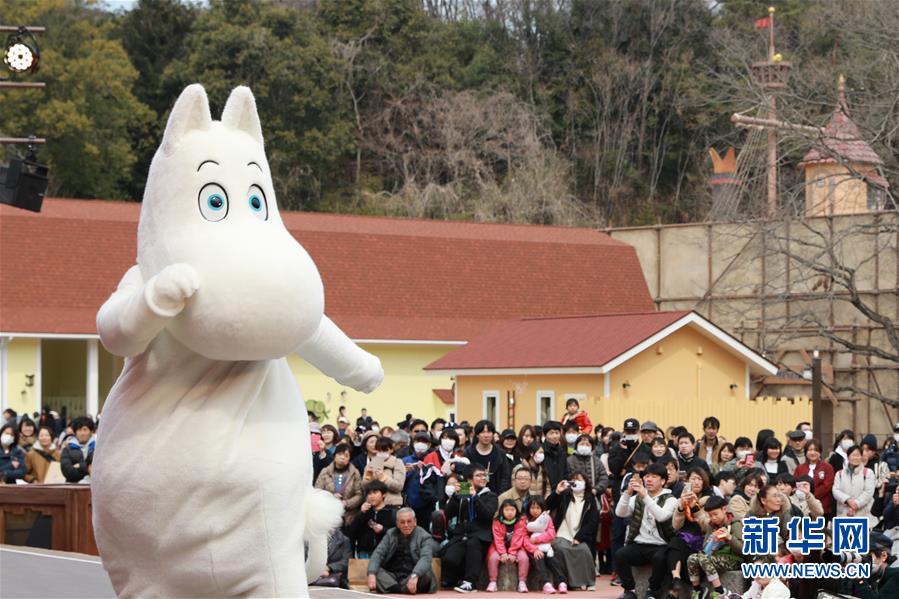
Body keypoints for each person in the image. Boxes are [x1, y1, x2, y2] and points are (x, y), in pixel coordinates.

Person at [613, 462, 678, 599]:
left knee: (659, 558)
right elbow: (620, 513)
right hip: (639, 544)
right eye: (647, 476)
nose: (648, 479)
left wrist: (645, 496)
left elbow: (661, 516)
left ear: (663, 481)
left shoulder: (671, 499)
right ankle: (630, 590)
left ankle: (653, 591)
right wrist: (627, 493)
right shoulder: (637, 497)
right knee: (620, 554)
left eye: (654, 476)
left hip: (661, 545)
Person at [441, 466, 498, 593]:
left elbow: (488, 515)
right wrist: (456, 497)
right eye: (478, 475)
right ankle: (456, 578)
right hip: (462, 535)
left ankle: (470, 582)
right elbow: (448, 514)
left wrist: (475, 498)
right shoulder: (461, 495)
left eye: (484, 475)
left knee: (473, 544)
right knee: (449, 558)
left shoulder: (491, 496)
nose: (483, 478)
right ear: (469, 479)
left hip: (480, 536)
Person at [546, 471, 598, 591]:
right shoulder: (564, 496)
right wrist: (557, 492)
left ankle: (588, 581)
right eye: (574, 480)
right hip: (562, 533)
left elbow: (593, 521)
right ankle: (569, 582)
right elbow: (547, 505)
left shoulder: (590, 499)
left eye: (580, 480)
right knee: (561, 549)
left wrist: (579, 537)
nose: (577, 482)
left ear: (585, 483)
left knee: (584, 550)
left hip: (580, 534)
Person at [367, 507, 436, 594]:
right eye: (402, 522)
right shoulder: (390, 534)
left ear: (415, 522)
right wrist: (371, 573)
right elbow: (378, 554)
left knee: (426, 573)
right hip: (392, 577)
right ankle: (401, 589)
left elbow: (426, 558)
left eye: (409, 521)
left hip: (413, 575)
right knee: (375, 571)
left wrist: (415, 575)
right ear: (397, 523)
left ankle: (394, 589)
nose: (406, 525)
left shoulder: (424, 536)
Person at [684, 495, 742, 598]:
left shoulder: (735, 523)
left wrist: (729, 538)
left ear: (724, 509)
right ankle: (698, 590)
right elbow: (705, 548)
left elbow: (743, 549)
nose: (713, 518)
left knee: (703, 558)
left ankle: (720, 591)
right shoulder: (712, 525)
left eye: (715, 514)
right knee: (692, 558)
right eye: (710, 515)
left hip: (733, 559)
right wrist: (711, 540)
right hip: (715, 556)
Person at [521, 496, 566, 594]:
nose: (535, 511)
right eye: (532, 508)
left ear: (542, 509)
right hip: (532, 550)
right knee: (539, 559)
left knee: (553, 560)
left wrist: (537, 539)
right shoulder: (525, 520)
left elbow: (551, 533)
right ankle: (546, 583)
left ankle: (561, 582)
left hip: (546, 547)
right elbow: (524, 538)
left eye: (538, 508)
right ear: (528, 508)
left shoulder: (547, 518)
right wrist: (534, 549)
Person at [486, 499, 529, 593]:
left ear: (516, 511)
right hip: (499, 547)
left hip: (517, 547)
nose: (510, 512)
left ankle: (522, 582)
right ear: (502, 510)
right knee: (493, 558)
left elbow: (518, 537)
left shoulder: (520, 521)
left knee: (524, 558)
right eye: (507, 510)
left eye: (512, 510)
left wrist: (512, 552)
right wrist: (503, 553)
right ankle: (492, 582)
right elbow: (498, 539)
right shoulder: (497, 521)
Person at [315, 444, 364, 525]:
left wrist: (346, 503)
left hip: (348, 516)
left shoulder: (355, 473)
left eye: (346, 456)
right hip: (327, 514)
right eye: (340, 454)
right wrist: (331, 498)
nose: (342, 457)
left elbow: (359, 495)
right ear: (334, 456)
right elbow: (317, 491)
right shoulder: (325, 471)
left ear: (349, 459)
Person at [347, 481, 396, 557]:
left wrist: (383, 530)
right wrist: (361, 513)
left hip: (385, 553)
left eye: (375, 492)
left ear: (384, 494)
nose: (371, 496)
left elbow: (397, 533)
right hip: (364, 553)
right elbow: (352, 532)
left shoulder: (391, 511)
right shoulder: (364, 512)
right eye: (369, 493)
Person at [463, 420, 512, 494]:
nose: (486, 435)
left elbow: (505, 476)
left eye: (489, 432)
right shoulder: (468, 452)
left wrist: (501, 496)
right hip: (472, 495)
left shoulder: (500, 453)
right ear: (477, 435)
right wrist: (465, 496)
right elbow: (464, 475)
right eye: (482, 432)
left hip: (496, 494)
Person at [833, 444, 876, 524]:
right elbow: (835, 490)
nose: (855, 458)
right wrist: (847, 500)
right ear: (848, 457)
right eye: (853, 455)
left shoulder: (868, 473)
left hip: (863, 516)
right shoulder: (839, 474)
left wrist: (855, 505)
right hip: (844, 514)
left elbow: (868, 492)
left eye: (858, 455)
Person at [403, 432, 440, 526]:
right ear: (413, 443)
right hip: (410, 503)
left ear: (429, 445)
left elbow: (438, 479)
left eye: (424, 442)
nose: (421, 444)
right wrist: (406, 472)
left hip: (428, 504)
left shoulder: (433, 459)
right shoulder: (406, 460)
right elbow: (400, 482)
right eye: (418, 441)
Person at [847, 532, 898, 599]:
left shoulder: (896, 575)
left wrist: (859, 580)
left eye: (864, 555)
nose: (859, 560)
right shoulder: (870, 576)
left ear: (883, 556)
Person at [793, 439, 834, 516]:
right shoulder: (800, 468)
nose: (813, 453)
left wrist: (810, 495)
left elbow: (827, 486)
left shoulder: (827, 467)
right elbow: (795, 484)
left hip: (822, 506)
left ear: (820, 452)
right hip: (802, 507)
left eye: (816, 450)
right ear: (805, 452)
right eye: (810, 450)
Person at [363, 437, 406, 506]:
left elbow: (399, 486)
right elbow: (365, 485)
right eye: (379, 451)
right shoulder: (371, 464)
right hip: (373, 504)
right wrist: (370, 474)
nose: (382, 453)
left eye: (385, 450)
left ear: (391, 450)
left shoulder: (397, 462)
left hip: (391, 503)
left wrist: (383, 478)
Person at [60, 416, 95, 483]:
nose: (82, 433)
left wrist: (80, 466)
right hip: (74, 487)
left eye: (85, 429)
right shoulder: (68, 449)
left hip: (95, 487)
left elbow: (100, 470)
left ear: (91, 431)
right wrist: (88, 468)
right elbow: (68, 472)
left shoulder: (97, 447)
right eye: (79, 430)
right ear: (75, 432)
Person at [541, 421, 569, 489]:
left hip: (561, 490)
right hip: (545, 489)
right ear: (545, 435)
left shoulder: (562, 452)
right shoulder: (541, 451)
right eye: (551, 433)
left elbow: (566, 472)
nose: (554, 436)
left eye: (557, 433)